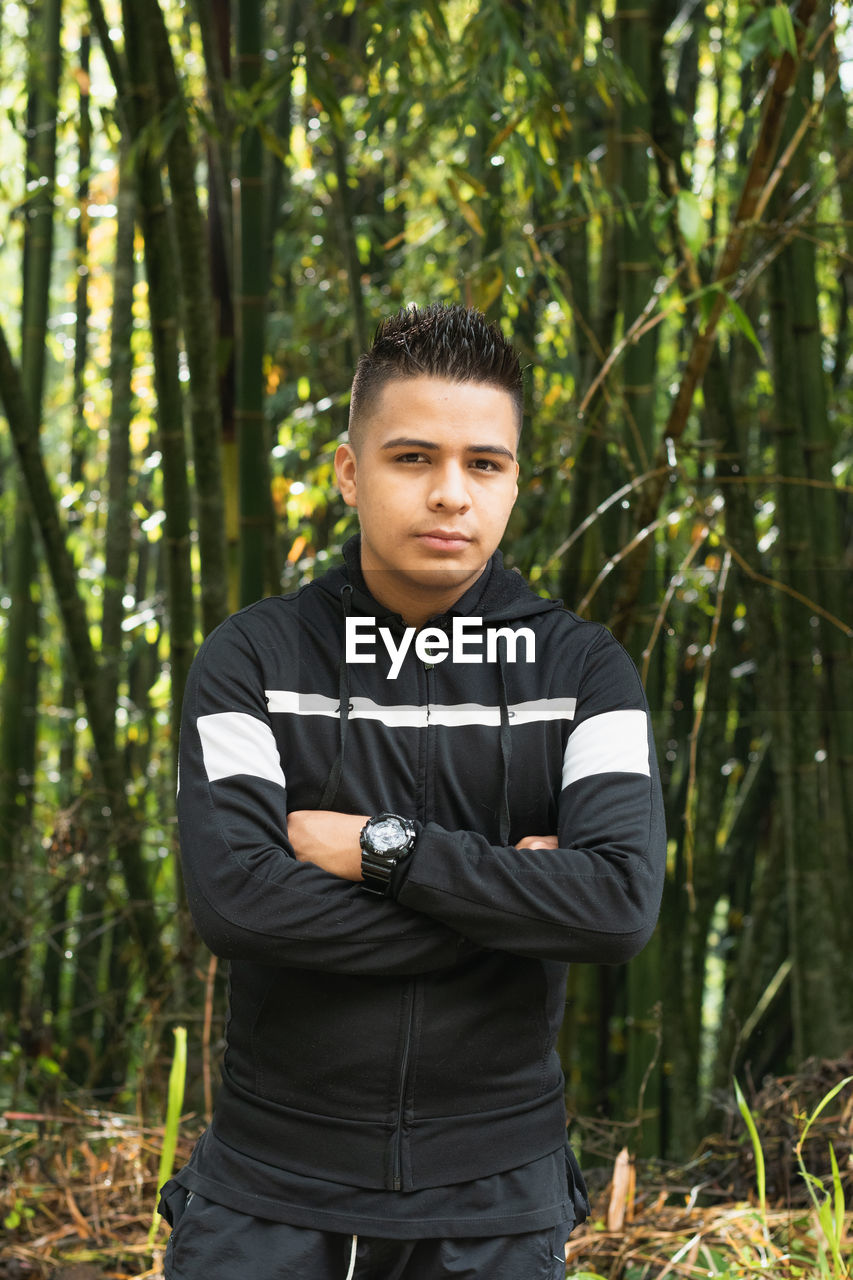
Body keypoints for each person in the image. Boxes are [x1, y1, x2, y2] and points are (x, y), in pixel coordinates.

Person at [158, 303, 666, 1279]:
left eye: (484, 463)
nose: (449, 494)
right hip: (270, 1195)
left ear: (515, 479)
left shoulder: (582, 671)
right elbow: (241, 902)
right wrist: (510, 907)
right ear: (349, 471)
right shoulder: (252, 659)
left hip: (494, 1207)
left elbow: (613, 907)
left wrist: (378, 850)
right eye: (411, 457)